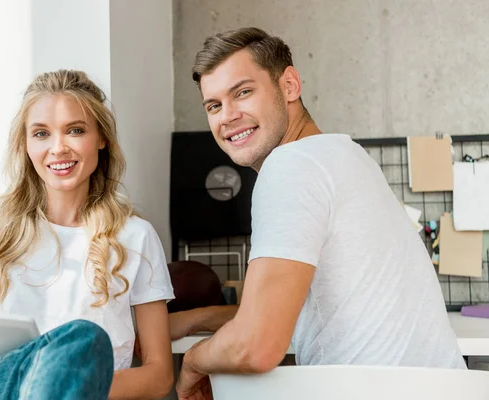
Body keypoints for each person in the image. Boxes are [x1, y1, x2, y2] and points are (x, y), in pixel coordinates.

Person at [176, 27, 465, 400]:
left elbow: (258, 343)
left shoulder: (290, 167)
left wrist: (193, 363)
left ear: (290, 85)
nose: (227, 116)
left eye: (243, 92)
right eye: (214, 105)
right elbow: (283, 312)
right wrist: (197, 320)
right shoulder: (345, 155)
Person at [0, 70, 175, 400]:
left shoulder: (135, 237)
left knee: (80, 340)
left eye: (75, 130)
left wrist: (66, 388)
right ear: (27, 144)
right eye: (41, 134)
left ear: (101, 138)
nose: (58, 148)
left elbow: (159, 376)